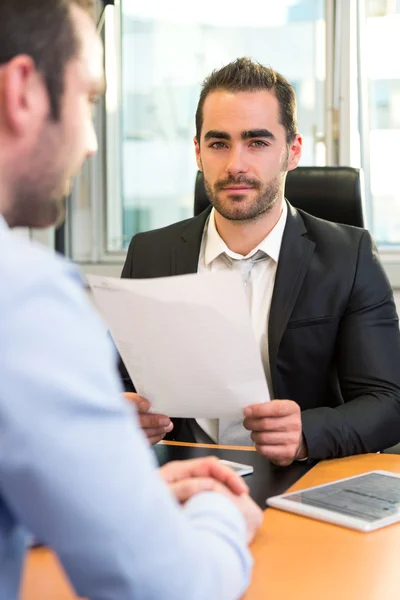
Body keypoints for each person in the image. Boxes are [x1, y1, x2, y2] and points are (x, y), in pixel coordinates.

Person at [0, 2, 263, 599]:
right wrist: (218, 511)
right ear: (22, 92)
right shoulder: (24, 298)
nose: (92, 143)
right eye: (87, 100)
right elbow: (169, 587)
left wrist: (115, 495)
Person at [120, 57, 400, 467]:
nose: (236, 164)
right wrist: (124, 411)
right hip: (183, 474)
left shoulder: (349, 255)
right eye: (219, 143)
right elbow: (118, 381)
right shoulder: (150, 253)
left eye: (257, 142)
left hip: (298, 480)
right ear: (198, 153)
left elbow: (389, 402)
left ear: (293, 151)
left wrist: (307, 432)